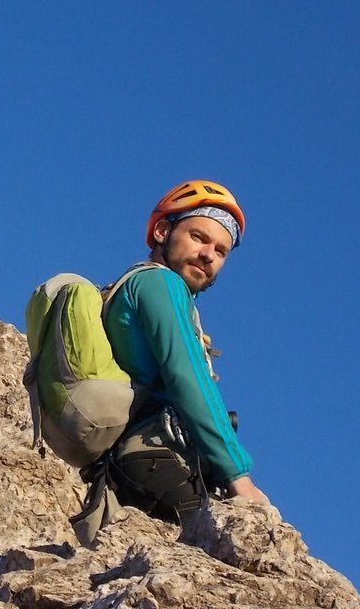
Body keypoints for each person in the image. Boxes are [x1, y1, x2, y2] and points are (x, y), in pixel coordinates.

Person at [74, 180, 269, 542]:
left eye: (221, 250)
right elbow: (187, 377)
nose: (208, 255)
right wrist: (238, 476)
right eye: (198, 237)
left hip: (136, 465)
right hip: (156, 459)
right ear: (163, 231)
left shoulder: (136, 286)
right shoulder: (160, 284)